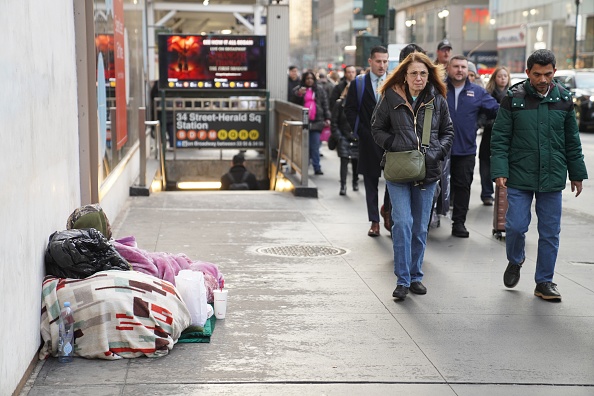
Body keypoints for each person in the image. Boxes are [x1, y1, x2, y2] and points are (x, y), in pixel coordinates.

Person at [491, 49, 588, 301]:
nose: (543, 79)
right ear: (527, 73)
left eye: (547, 74)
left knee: (550, 232)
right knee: (515, 226)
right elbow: (499, 139)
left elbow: (572, 142)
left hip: (552, 175)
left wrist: (576, 174)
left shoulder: (565, 99)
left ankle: (544, 282)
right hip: (519, 174)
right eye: (537, 74)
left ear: (554, 72)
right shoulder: (513, 99)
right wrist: (500, 170)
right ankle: (515, 260)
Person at [371, 52, 454, 300]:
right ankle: (402, 279)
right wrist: (395, 143)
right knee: (403, 223)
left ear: (429, 76)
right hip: (398, 170)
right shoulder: (390, 97)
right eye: (414, 73)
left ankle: (416, 275)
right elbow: (376, 128)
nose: (419, 78)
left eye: (423, 74)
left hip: (428, 173)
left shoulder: (436, 100)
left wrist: (435, 153)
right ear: (404, 76)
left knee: (419, 227)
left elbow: (448, 132)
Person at [445, 55, 499, 238]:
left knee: (462, 187)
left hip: (465, 149)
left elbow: (497, 109)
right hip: (439, 149)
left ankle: (458, 223)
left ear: (467, 70)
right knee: (433, 186)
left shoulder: (477, 92)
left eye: (463, 67)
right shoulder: (438, 89)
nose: (459, 70)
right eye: (456, 66)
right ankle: (427, 220)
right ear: (448, 68)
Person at [344, 46, 389, 237]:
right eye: (378, 61)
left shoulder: (393, 82)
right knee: (370, 182)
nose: (382, 65)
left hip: (390, 142)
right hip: (368, 140)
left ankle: (387, 211)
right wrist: (360, 131)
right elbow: (350, 109)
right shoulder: (359, 83)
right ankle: (375, 221)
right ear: (370, 62)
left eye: (385, 61)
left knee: (394, 180)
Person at [478, 66, 510, 205]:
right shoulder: (487, 95)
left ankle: (502, 192)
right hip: (489, 136)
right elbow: (482, 118)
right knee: (485, 164)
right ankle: (486, 193)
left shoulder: (513, 95)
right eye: (500, 76)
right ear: (494, 78)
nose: (503, 78)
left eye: (505, 76)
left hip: (507, 137)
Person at [292, 71, 331, 175]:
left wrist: (327, 118)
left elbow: (325, 104)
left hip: (317, 121)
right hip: (302, 121)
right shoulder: (298, 90)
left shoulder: (320, 90)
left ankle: (316, 167)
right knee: (305, 146)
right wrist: (300, 94)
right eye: (307, 79)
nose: (309, 81)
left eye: (311, 79)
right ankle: (304, 166)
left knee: (315, 145)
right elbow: (293, 102)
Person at [330, 81, 359, 196]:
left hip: (357, 138)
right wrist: (339, 137)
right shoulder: (340, 104)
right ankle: (343, 185)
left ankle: (355, 182)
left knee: (357, 161)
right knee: (344, 161)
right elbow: (334, 122)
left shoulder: (361, 105)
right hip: (344, 137)